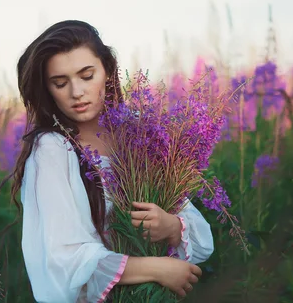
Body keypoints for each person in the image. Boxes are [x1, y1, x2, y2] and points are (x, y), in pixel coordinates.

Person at [11, 20, 214, 302]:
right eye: (60, 83)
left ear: (107, 71)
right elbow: (62, 261)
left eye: (87, 75)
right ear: (48, 90)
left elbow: (202, 242)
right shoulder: (53, 150)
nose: (76, 92)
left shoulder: (140, 135)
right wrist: (155, 268)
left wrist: (170, 227)